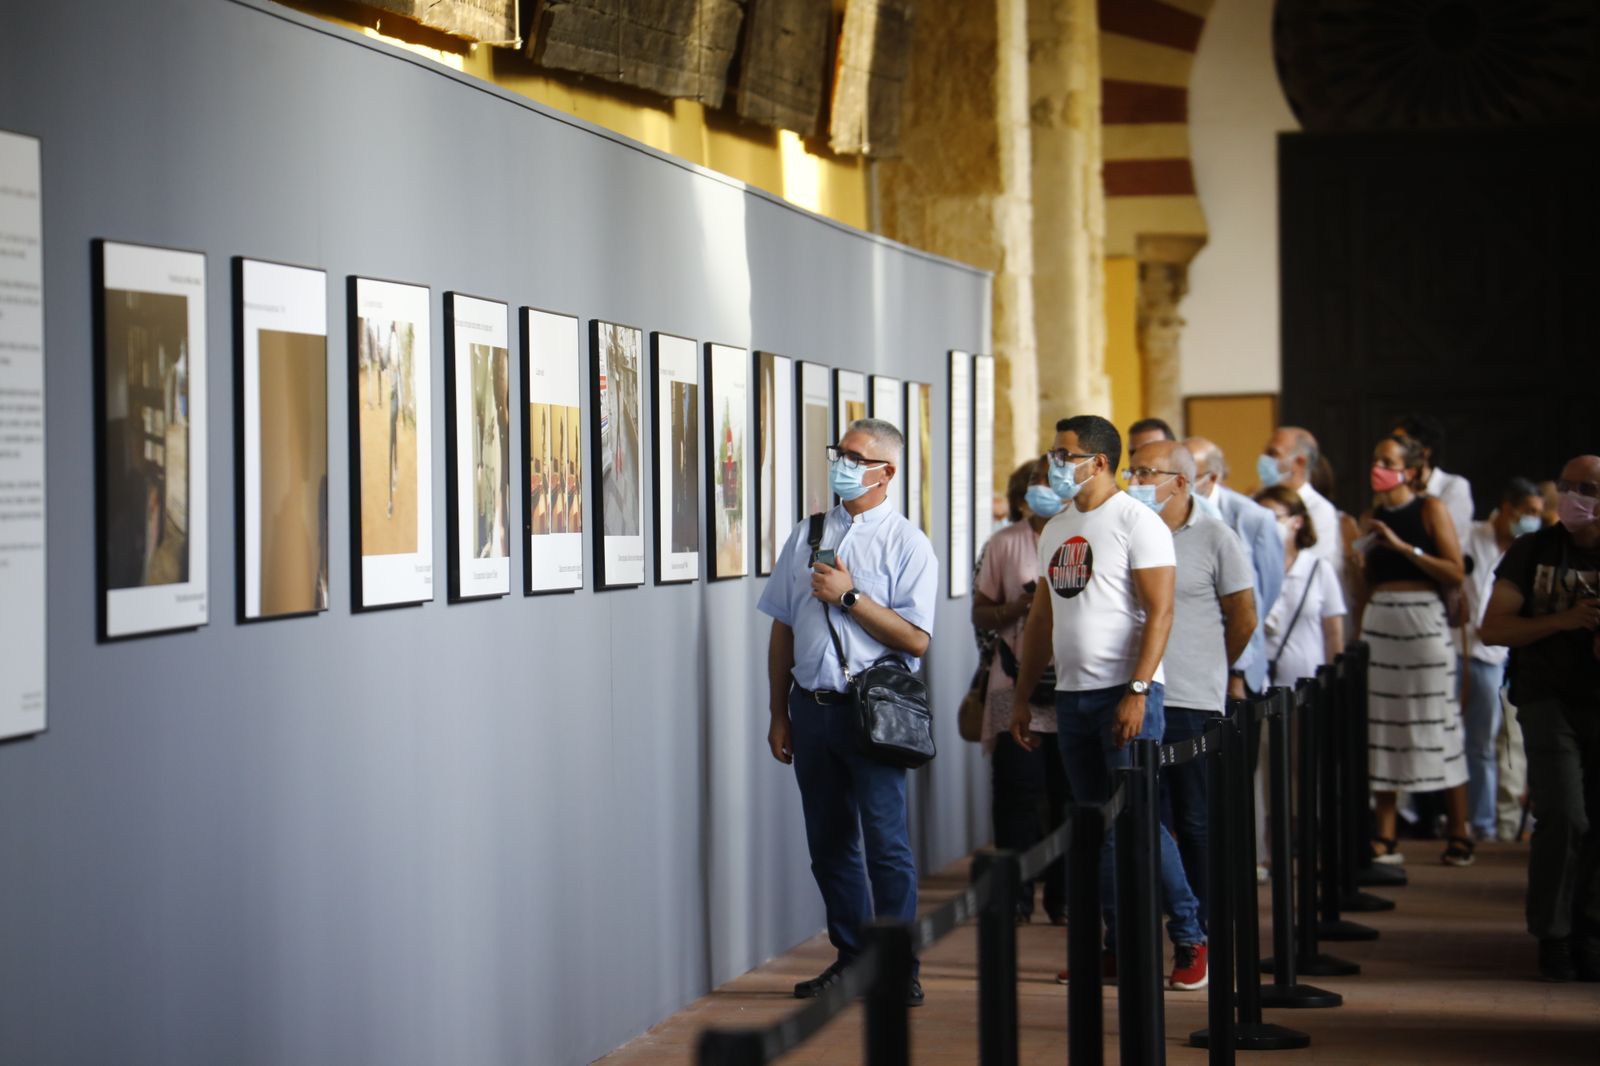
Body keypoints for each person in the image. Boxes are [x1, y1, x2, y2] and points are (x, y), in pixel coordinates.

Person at [1008, 415, 1208, 991]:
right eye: (1052, 452)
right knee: (1096, 823)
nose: (1054, 463)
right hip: (1071, 697)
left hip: (1126, 693)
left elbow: (1161, 611)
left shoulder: (1137, 522)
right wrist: (1025, 699)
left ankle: (1191, 938)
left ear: (1098, 462)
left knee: (1139, 821)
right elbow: (1042, 618)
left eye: (1064, 454)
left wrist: (1139, 690)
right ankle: (1117, 944)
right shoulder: (1055, 527)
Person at [758, 418, 937, 1007]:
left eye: (857, 457)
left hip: (873, 712)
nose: (843, 463)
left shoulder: (908, 543)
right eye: (840, 452)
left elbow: (915, 640)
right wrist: (778, 711)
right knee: (830, 843)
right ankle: (852, 957)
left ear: (887, 472)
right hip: (811, 709)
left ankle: (896, 965)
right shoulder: (808, 532)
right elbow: (783, 625)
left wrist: (852, 597)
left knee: (886, 844)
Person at [1479, 455, 1600, 982]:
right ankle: (1552, 934)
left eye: (1588, 488)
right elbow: (1494, 628)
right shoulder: (1533, 551)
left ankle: (1589, 931)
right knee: (1565, 814)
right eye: (1569, 486)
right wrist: (1565, 620)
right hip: (1547, 698)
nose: (1576, 497)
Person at [1129, 440, 1256, 932]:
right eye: (1132, 471)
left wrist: (1214, 665)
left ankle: (1202, 923)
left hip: (1190, 697)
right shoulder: (1131, 530)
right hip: (1138, 692)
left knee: (1195, 818)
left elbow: (1243, 615)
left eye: (1147, 473)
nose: (1135, 482)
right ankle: (1153, 923)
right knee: (1144, 818)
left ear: (1180, 482)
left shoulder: (1215, 536)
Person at [1357, 434, 1471, 866]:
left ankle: (1458, 829)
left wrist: (1405, 548)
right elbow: (1365, 585)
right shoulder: (1371, 514)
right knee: (1383, 727)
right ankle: (1385, 832)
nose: (1377, 467)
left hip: (1423, 621)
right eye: (1375, 459)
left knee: (1438, 722)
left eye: (1386, 460)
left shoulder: (1429, 509)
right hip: (1381, 624)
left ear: (1410, 469)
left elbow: (1454, 570)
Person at [973, 458, 1069, 924]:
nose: (1043, 490)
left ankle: (1066, 894)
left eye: (1051, 482)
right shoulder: (1004, 543)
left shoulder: (1081, 536)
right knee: (1016, 790)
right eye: (1035, 483)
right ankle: (1015, 893)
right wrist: (1019, 606)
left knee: (1068, 792)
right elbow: (982, 613)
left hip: (1071, 684)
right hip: (1014, 682)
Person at [1461, 477, 1545, 840]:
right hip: (1464, 650)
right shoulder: (1468, 535)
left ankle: (1495, 826)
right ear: (1507, 508)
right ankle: (1472, 822)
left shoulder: (1531, 550)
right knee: (1470, 743)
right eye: (1528, 511)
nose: (1533, 520)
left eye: (1538, 514)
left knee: (1502, 745)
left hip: (1505, 657)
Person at [1186, 437, 1284, 698]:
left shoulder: (1252, 517)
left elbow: (1268, 589)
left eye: (1190, 475)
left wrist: (1236, 668)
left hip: (1241, 659)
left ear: (1213, 477)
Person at [1254, 486, 1347, 688]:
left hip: (1309, 686)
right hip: (1260, 687)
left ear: (1297, 521)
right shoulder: (1251, 570)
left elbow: (1333, 633)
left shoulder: (1318, 569)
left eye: (1274, 518)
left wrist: (1334, 683)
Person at [1259, 426, 1343, 582]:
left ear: (1299, 462)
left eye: (1273, 454)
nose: (1264, 460)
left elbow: (1313, 565)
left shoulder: (1319, 510)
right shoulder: (1257, 502)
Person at [1394, 414, 1474, 544]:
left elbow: (1446, 542)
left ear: (1425, 452)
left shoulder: (1454, 486)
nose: (1392, 450)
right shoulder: (1397, 488)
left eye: (1401, 444)